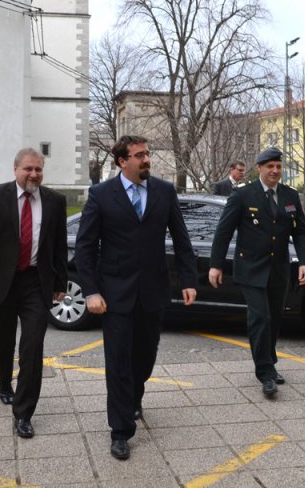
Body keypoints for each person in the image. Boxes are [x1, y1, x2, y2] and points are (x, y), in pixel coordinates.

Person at [74, 134, 197, 460]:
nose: (147, 159)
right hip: (115, 293)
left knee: (144, 357)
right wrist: (91, 291)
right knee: (118, 361)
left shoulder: (164, 191)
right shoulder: (102, 195)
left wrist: (188, 280)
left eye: (147, 153)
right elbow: (85, 247)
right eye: (139, 155)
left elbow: (181, 238)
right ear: (122, 161)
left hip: (153, 290)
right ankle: (120, 430)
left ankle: (133, 397)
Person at [0, 148, 68, 439]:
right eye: (28, 169)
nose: (33, 174)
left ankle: (24, 413)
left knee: (32, 347)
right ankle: (4, 382)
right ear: (16, 169)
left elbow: (59, 245)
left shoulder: (55, 201)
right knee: (0, 342)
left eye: (38, 169)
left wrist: (60, 282)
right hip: (1, 283)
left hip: (36, 282)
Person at [208, 147, 305, 397]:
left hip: (278, 269)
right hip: (251, 269)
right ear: (259, 168)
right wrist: (216, 264)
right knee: (260, 318)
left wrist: (304, 261)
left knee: (274, 319)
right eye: (270, 167)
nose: (275, 171)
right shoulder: (243, 195)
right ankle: (265, 373)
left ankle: (269, 362)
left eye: (278, 166)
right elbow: (223, 231)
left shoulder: (289, 195)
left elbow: (300, 231)